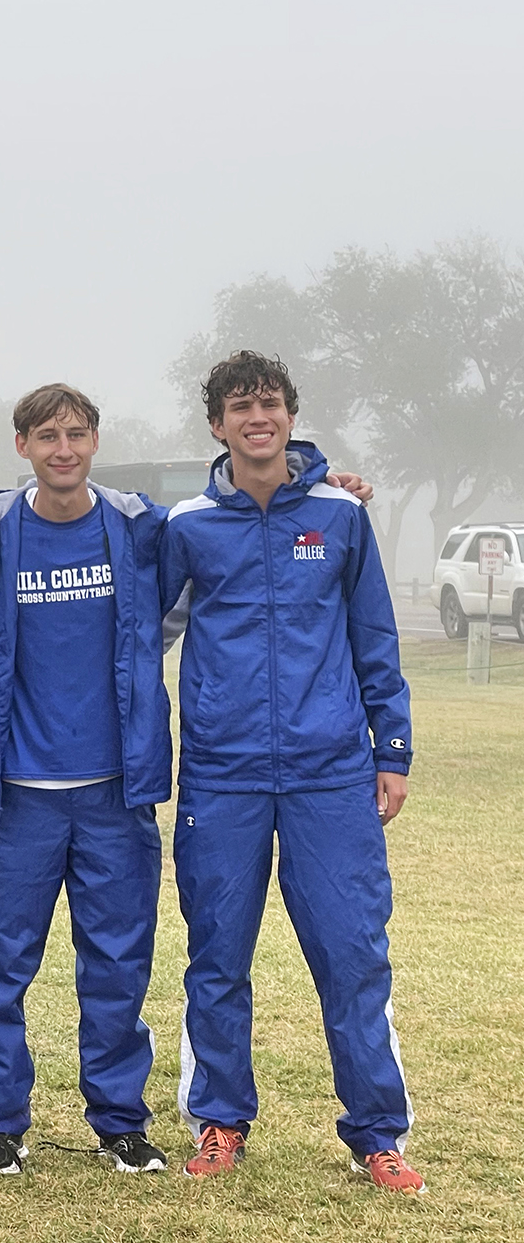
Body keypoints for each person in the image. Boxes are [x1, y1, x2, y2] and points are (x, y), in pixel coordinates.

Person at [161, 351, 422, 1194]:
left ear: (288, 415)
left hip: (327, 774)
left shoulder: (341, 518)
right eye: (239, 407)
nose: (255, 417)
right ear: (216, 425)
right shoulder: (187, 524)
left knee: (351, 956)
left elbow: (373, 638)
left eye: (268, 403)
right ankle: (219, 1122)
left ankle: (375, 1134)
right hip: (222, 775)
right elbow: (141, 632)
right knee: (216, 957)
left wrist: (391, 750)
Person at [0, 383, 173, 1177]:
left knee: (117, 962)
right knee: (0, 966)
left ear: (94, 441)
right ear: (21, 446)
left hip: (113, 789)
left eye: (76, 434)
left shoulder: (136, 526)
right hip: (16, 791)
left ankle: (119, 1122)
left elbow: (198, 563)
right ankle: (0, 1125)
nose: (62, 448)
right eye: (45, 435)